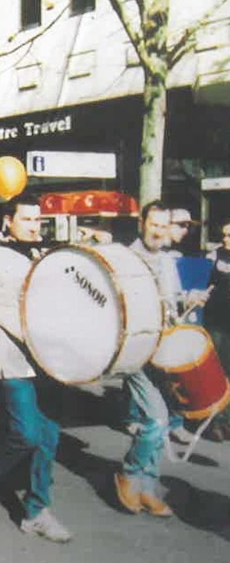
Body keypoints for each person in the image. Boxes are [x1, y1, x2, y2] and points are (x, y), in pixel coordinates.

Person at [0, 193, 72, 543]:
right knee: (27, 433)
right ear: (8, 220)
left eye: (39, 221)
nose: (35, 227)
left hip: (48, 361)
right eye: (27, 220)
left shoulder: (45, 256)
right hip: (11, 358)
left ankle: (37, 511)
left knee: (48, 436)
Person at [114, 200, 208, 518]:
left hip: (162, 351)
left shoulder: (167, 262)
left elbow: (172, 305)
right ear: (142, 224)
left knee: (164, 421)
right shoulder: (126, 260)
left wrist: (188, 299)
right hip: (136, 351)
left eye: (163, 226)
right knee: (155, 420)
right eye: (153, 224)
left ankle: (148, 487)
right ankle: (129, 474)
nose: (158, 232)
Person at [204, 218, 230, 440]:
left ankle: (227, 419)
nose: (225, 239)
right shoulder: (214, 257)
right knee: (218, 371)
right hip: (216, 322)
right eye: (224, 234)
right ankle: (215, 421)